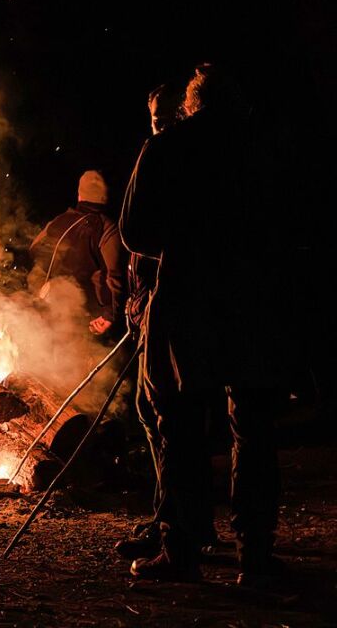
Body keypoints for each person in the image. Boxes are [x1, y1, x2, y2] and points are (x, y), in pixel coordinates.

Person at [121, 64, 285, 587]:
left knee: (182, 428)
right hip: (256, 305)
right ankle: (255, 556)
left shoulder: (169, 147)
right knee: (253, 431)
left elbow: (135, 232)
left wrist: (185, 241)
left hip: (190, 302)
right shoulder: (264, 147)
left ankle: (182, 551)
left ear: (191, 104)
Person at [114, 83, 216, 562]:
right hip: (168, 301)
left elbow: (135, 231)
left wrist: (159, 278)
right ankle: (175, 521)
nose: (157, 125)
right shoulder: (221, 150)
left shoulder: (170, 153)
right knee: (162, 414)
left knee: (173, 415)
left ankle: (183, 535)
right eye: (153, 118)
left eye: (162, 117)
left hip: (177, 301)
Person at [29, 170, 126, 339]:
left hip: (48, 306)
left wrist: (42, 285)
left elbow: (34, 248)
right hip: (86, 317)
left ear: (80, 195)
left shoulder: (60, 219)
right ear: (105, 198)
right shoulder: (107, 228)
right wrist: (111, 314)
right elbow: (115, 276)